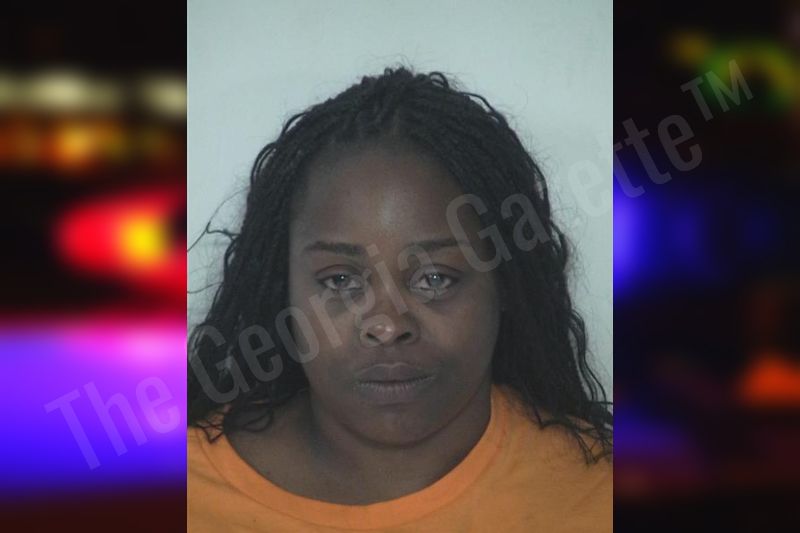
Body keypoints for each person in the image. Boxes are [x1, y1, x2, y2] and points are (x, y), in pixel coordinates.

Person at [187, 67, 612, 532]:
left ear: (505, 283)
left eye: (435, 278)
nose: (387, 326)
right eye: (339, 280)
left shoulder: (596, 493)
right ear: (282, 286)